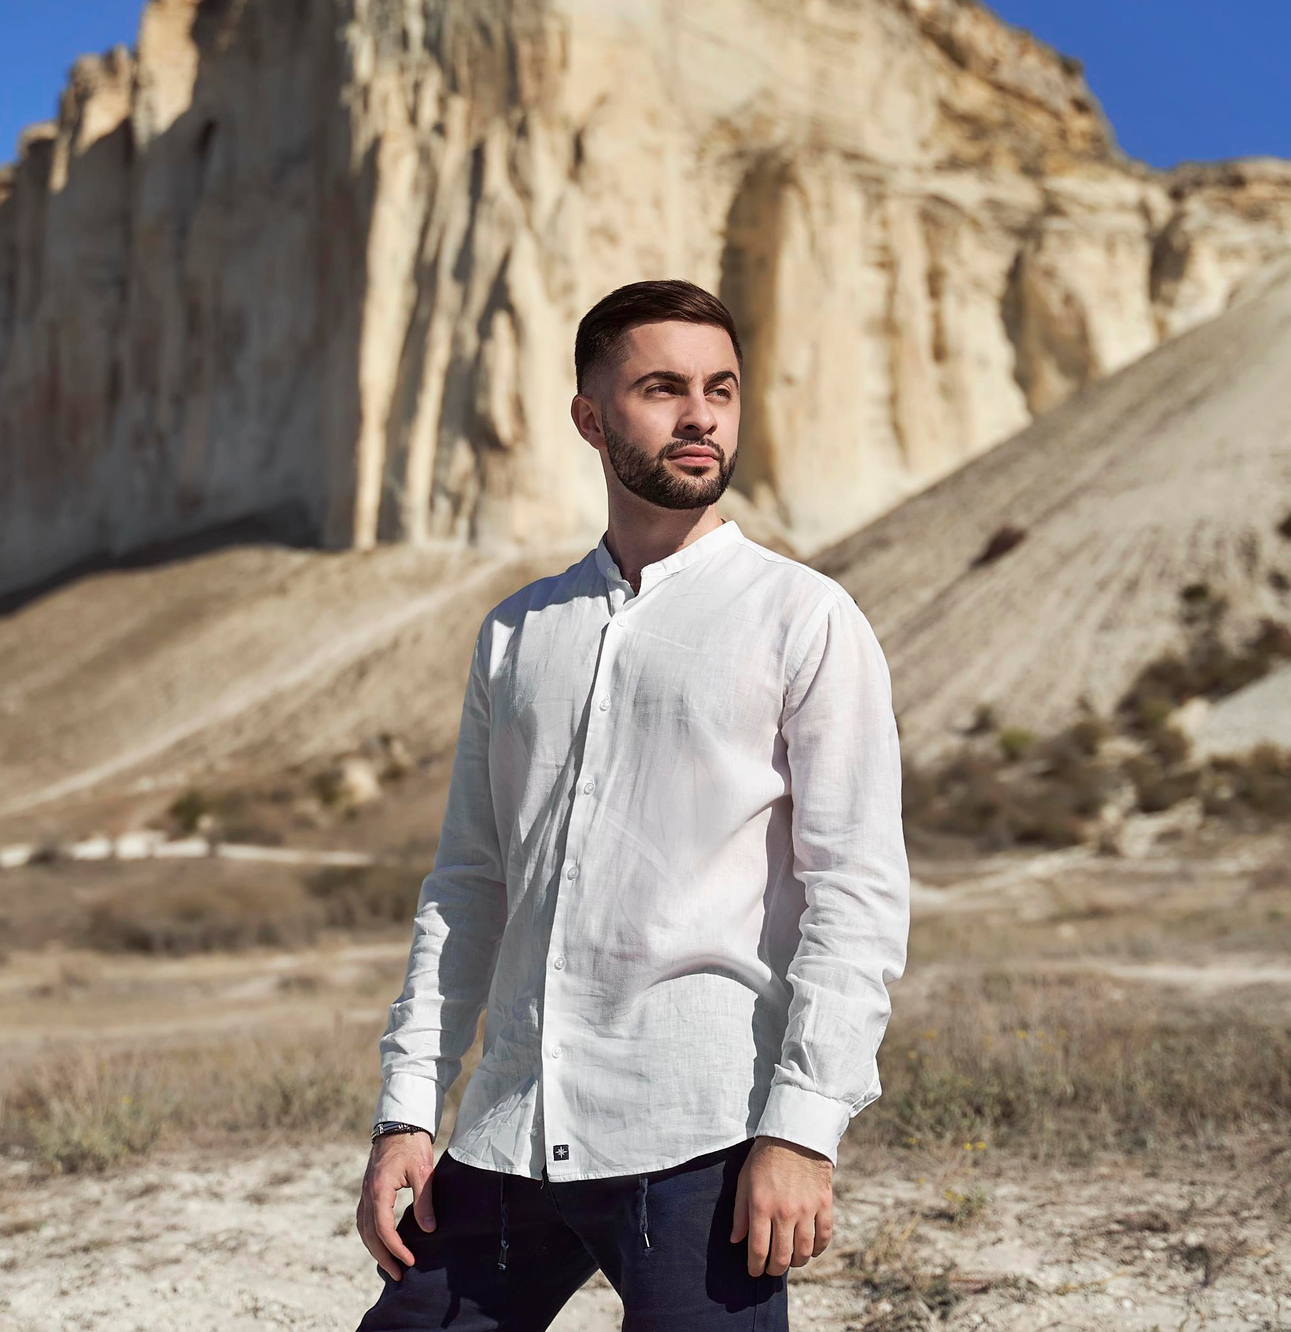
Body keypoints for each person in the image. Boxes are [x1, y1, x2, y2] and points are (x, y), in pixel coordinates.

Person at [351, 280, 911, 1330]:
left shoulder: (804, 617)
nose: (701, 416)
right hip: (508, 1135)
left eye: (722, 390)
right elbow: (466, 887)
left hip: (696, 1143)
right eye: (662, 389)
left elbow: (856, 895)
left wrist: (802, 1130)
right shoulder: (517, 632)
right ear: (590, 418)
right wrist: (404, 1114)